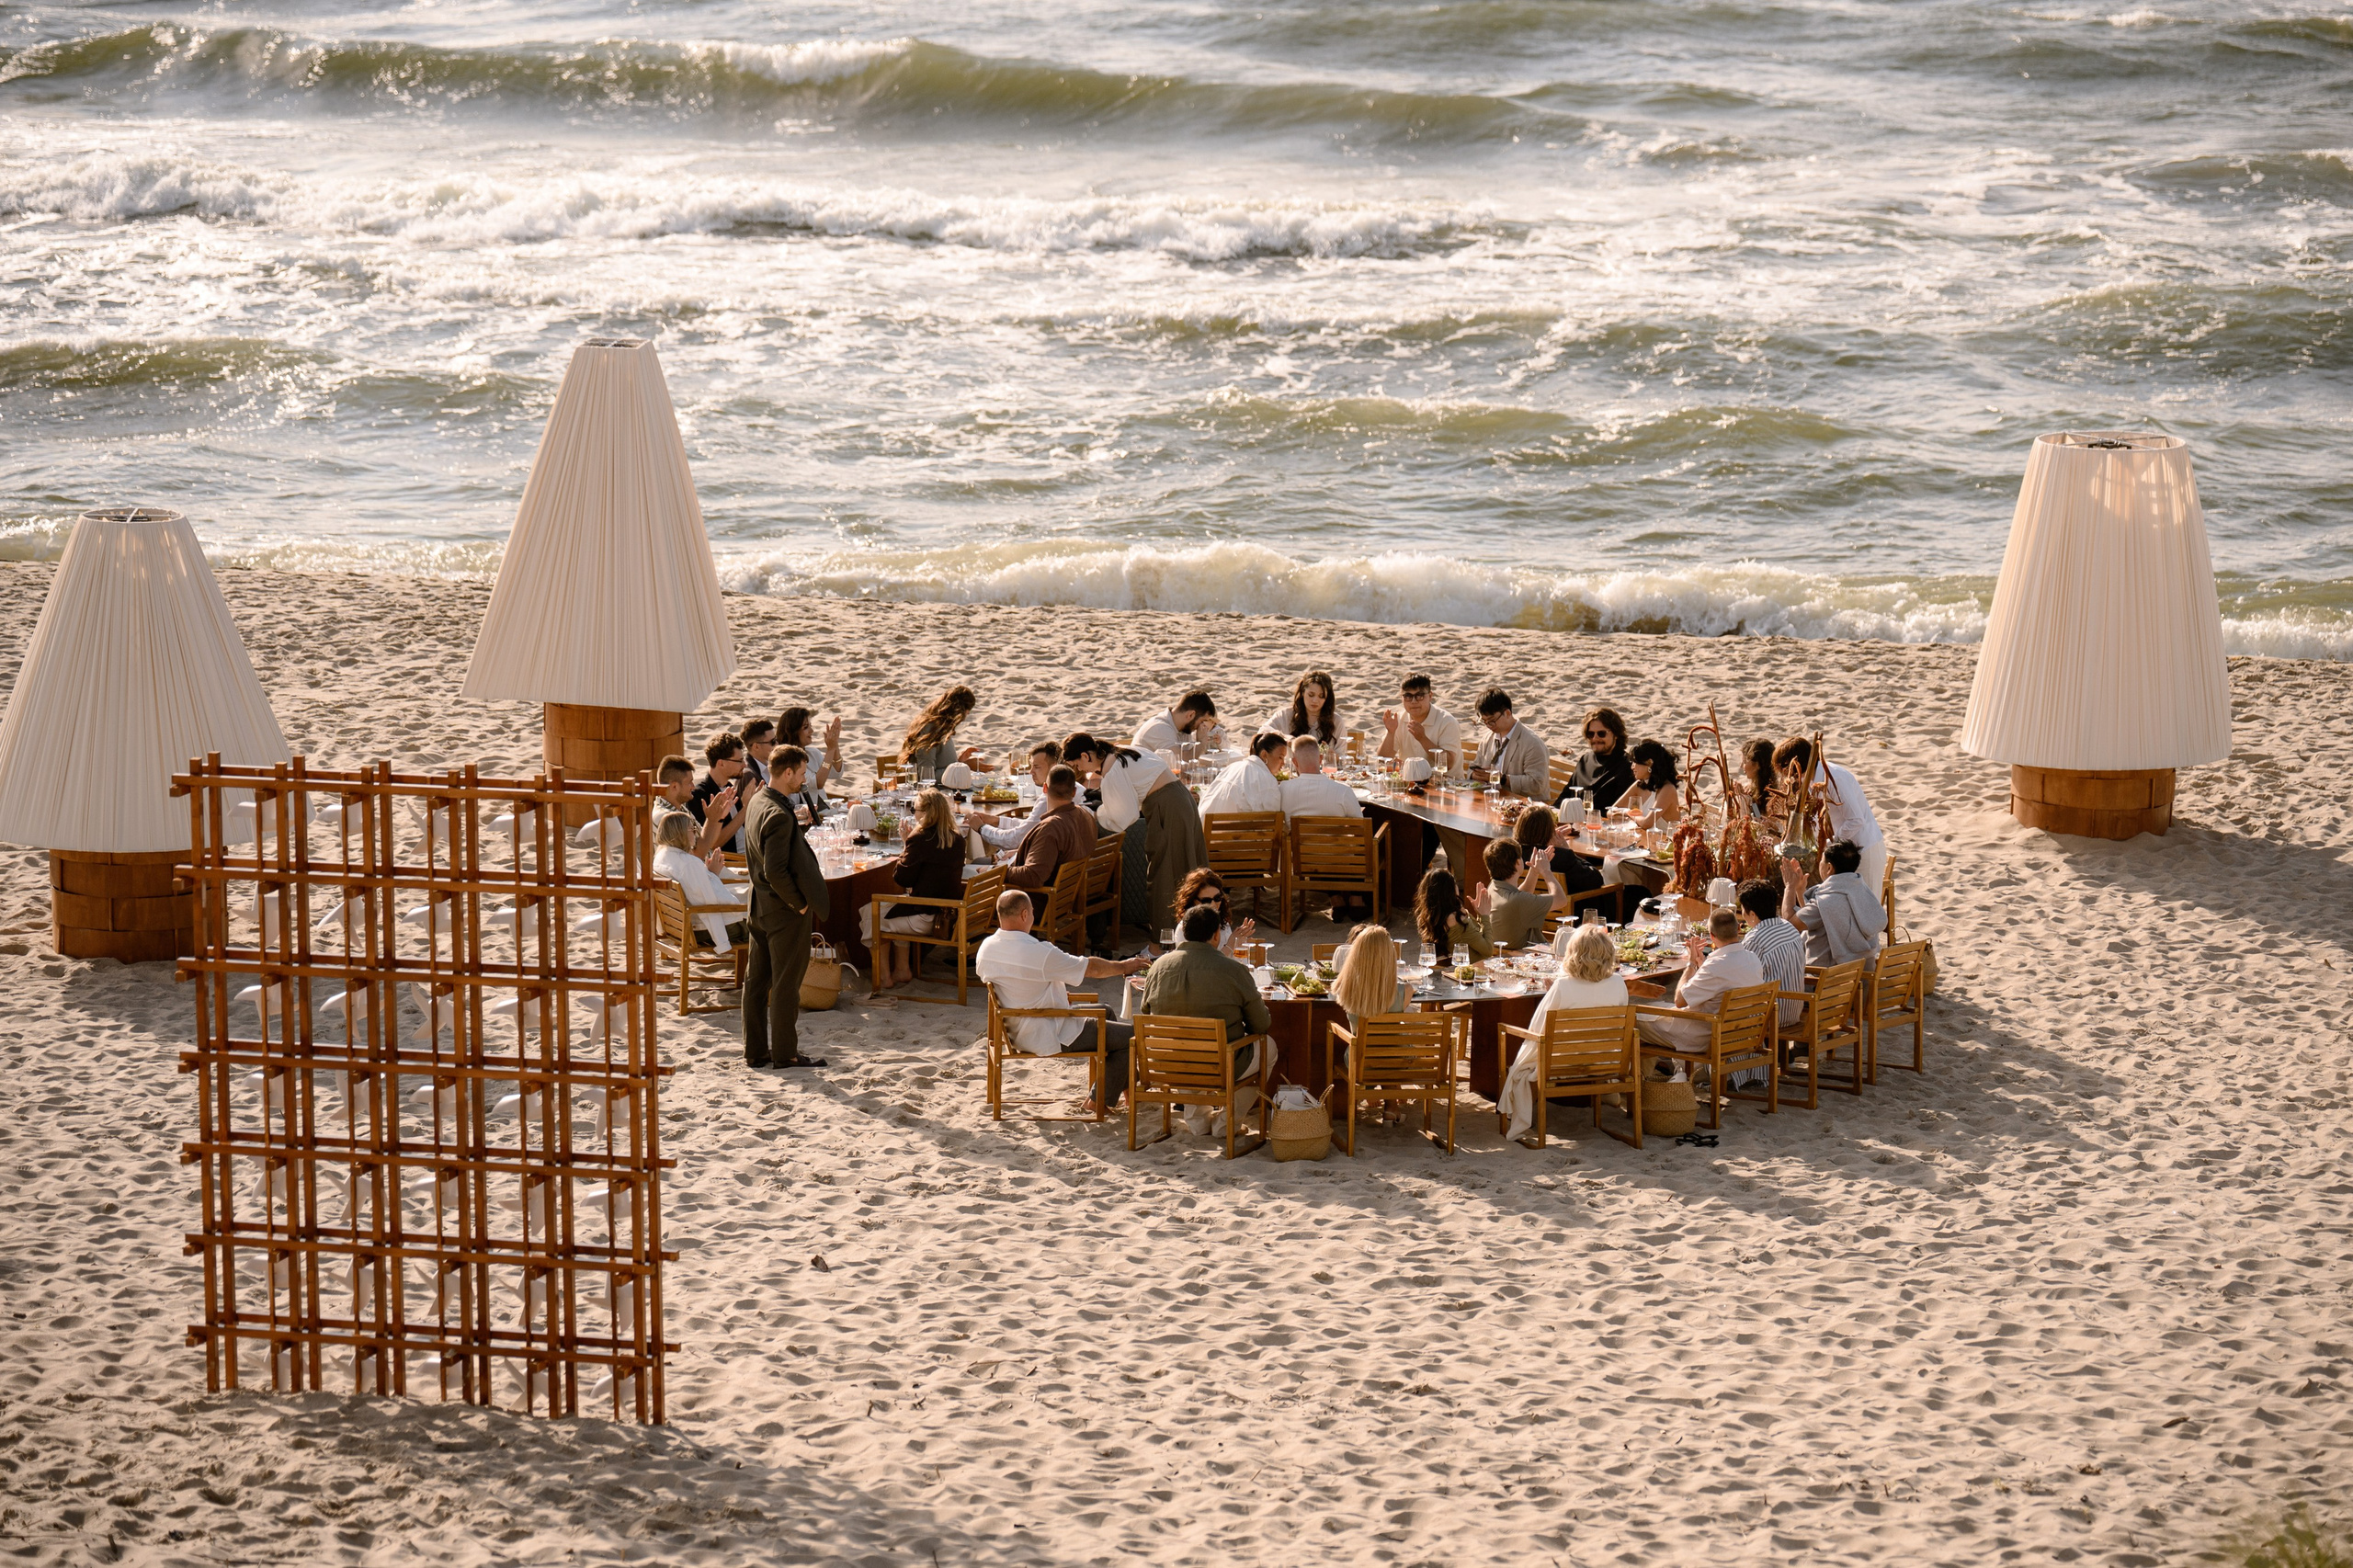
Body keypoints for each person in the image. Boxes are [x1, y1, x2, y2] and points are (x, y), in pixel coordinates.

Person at [974, 890, 1148, 1116]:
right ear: (1025, 914)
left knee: (1106, 1011)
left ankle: (1123, 1089)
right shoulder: (1037, 952)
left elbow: (1018, 984)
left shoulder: (986, 948)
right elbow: (1090, 967)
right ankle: (1096, 1102)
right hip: (1047, 1030)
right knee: (1131, 1037)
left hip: (1015, 1027)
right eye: (1033, 913)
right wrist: (1124, 966)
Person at [1063, 732, 1206, 937]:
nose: (1079, 770)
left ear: (1086, 756)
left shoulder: (1112, 769)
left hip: (1167, 807)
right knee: (1186, 865)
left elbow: (1124, 817)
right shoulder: (1122, 751)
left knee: (1164, 874)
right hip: (1179, 800)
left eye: (1077, 765)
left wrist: (1096, 813)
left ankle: (1163, 939)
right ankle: (1193, 931)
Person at [1500, 922, 1630, 1145]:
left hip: (1562, 1066)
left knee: (1525, 1059)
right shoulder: (1618, 983)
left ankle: (1516, 1116)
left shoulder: (1562, 986)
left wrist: (1551, 992)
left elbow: (1538, 1029)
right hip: (1607, 1063)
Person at [741, 744, 829, 1070]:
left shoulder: (759, 801)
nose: (805, 779)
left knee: (757, 982)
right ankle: (785, 1053)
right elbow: (774, 870)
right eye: (802, 773)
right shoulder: (778, 814)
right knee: (786, 985)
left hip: (759, 907)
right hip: (782, 911)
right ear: (787, 772)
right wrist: (800, 904)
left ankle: (755, 1051)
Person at [1138, 903, 1273, 1088]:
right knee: (1269, 1046)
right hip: (1219, 1065)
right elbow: (1261, 1024)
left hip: (1166, 1063)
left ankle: (1197, 1118)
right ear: (1217, 935)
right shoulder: (1233, 970)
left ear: (1184, 932)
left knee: (1187, 1046)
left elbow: (1145, 1012)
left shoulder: (1158, 968)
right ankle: (1224, 1117)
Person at [1635, 906, 1766, 1059]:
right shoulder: (1753, 960)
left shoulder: (1715, 966)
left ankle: (1639, 1076)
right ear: (1738, 929)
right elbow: (1722, 982)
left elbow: (1679, 1000)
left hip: (1703, 1036)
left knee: (1632, 1017)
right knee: (1654, 1008)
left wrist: (1690, 965)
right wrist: (1701, 966)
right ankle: (1658, 1072)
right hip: (1738, 1033)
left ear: (1711, 935)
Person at [868, 790, 965, 990]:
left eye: (915, 809)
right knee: (891, 908)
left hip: (926, 918)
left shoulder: (920, 839)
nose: (914, 814)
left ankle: (884, 977)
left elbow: (901, 878)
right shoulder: (957, 838)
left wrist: (908, 843)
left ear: (926, 813)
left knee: (869, 914)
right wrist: (909, 843)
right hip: (948, 915)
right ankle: (902, 969)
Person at [1774, 735, 1885, 894]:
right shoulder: (1809, 781)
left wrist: (1827, 844)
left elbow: (1855, 820)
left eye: (1785, 769)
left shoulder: (1834, 777)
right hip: (1840, 857)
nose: (1785, 775)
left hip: (1863, 851)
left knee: (1867, 911)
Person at [1781, 838, 1887, 968]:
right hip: (1862, 977)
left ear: (1829, 868)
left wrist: (1789, 887)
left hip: (1827, 982)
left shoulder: (1826, 901)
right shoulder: (1862, 891)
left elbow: (1789, 924)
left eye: (1821, 861)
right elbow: (1816, 919)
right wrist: (1800, 891)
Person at [652, 811, 747, 949]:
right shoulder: (689, 863)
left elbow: (696, 891)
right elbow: (710, 902)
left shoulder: (661, 857)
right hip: (702, 930)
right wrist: (713, 875)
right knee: (765, 922)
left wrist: (707, 873)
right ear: (681, 833)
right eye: (692, 829)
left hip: (678, 927)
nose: (696, 834)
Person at [1003, 764, 1099, 897]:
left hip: (1035, 903)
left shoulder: (1051, 828)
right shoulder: (1085, 815)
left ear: (1045, 788)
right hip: (1069, 896)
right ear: (1074, 792)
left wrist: (998, 872)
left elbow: (1033, 876)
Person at [967, 742, 1063, 854]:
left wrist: (981, 828)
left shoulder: (1050, 799)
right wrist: (997, 821)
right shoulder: (1069, 788)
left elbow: (1015, 840)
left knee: (979, 862)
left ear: (1054, 767)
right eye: (1031, 766)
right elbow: (1030, 825)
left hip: (1041, 863)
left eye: (1036, 767)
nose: (1031, 772)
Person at [1739, 877, 1808, 1028]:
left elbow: (1740, 979)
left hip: (1771, 1015)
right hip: (1793, 1010)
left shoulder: (1754, 939)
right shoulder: (1789, 927)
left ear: (1752, 914)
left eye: (1743, 909)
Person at [1513, 802, 1604, 903]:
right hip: (1565, 912)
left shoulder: (1512, 854)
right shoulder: (1560, 856)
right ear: (1549, 831)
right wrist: (1567, 850)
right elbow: (1596, 880)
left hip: (1525, 911)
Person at [1376, 674, 1462, 778]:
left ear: (1430, 696)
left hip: (1446, 784)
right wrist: (1391, 733)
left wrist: (1422, 738)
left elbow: (1448, 764)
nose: (1414, 701)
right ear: (1401, 698)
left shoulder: (1447, 721)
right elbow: (1382, 761)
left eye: (1419, 696)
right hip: (1410, 783)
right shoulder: (1398, 719)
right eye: (1408, 696)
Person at [901, 687, 995, 780]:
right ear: (958, 712)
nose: (964, 719)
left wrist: (959, 761)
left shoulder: (942, 729)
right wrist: (964, 767)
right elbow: (926, 776)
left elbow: (942, 765)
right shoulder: (930, 730)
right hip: (935, 793)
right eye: (966, 714)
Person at [1469, 687, 1549, 797]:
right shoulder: (1488, 738)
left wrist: (1503, 779)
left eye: (1492, 721)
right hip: (1493, 800)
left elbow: (1537, 784)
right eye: (1484, 721)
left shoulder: (1532, 743)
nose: (1488, 726)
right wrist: (1475, 775)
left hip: (1524, 806)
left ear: (1507, 713)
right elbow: (1471, 769)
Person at [1332, 923, 1410, 1033]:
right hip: (1396, 1050)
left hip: (1359, 1050)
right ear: (1390, 956)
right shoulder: (1407, 990)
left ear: (1356, 954)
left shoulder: (1344, 988)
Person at [1476, 838, 1552, 949]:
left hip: (1503, 955)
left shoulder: (1493, 887)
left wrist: (1534, 871)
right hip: (1527, 957)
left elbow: (1519, 900)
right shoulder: (1518, 901)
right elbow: (1561, 899)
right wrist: (1546, 871)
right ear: (1517, 863)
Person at [1557, 706, 1634, 813]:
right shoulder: (1585, 760)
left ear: (1616, 734)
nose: (1595, 738)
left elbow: (1621, 812)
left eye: (1601, 734)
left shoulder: (1627, 766)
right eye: (1590, 734)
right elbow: (1566, 795)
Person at [775, 707, 845, 820]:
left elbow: (837, 773)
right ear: (793, 731)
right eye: (806, 727)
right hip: (809, 818)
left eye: (810, 726)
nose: (811, 731)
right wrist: (831, 750)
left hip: (825, 811)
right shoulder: (787, 761)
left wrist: (835, 745)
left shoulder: (813, 753)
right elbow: (818, 783)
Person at [657, 754, 731, 860]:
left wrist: (719, 818)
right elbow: (696, 856)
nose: (693, 786)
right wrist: (711, 820)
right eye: (689, 782)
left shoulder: (680, 809)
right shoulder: (666, 817)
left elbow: (709, 843)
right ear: (674, 786)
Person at [1414, 866, 1493, 963]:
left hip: (1456, 968)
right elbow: (1488, 950)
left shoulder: (1429, 917)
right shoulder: (1457, 919)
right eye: (1454, 883)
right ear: (1449, 891)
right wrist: (1484, 915)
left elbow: (1473, 938)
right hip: (1476, 971)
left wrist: (1479, 914)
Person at [1197, 732, 1285, 818]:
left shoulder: (1232, 767)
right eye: (1281, 757)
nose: (1283, 763)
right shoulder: (1267, 780)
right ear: (1264, 755)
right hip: (1234, 831)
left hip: (1205, 828)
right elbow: (1272, 820)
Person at [690, 732, 751, 853]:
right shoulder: (699, 796)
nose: (744, 764)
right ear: (721, 763)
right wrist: (745, 810)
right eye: (739, 761)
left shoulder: (729, 788)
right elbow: (711, 845)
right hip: (730, 862)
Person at [1175, 868, 1256, 956]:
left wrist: (1238, 941)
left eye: (1217, 898)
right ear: (1193, 900)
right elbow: (1202, 965)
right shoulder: (1185, 929)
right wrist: (1230, 945)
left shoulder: (1222, 922)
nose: (1213, 904)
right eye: (1206, 900)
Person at [1264, 670, 1341, 749]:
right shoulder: (1285, 715)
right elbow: (1262, 733)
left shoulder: (1336, 721)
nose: (1315, 700)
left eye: (1321, 696)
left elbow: (1342, 755)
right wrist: (1284, 738)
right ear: (1303, 692)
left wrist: (1329, 755)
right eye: (1311, 695)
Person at [1132, 690, 1223, 756]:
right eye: (1202, 721)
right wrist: (1201, 742)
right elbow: (1180, 765)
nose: (1202, 726)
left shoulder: (1184, 729)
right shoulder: (1160, 728)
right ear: (1191, 715)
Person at [1621, 741, 1683, 827]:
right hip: (1645, 838)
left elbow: (1647, 823)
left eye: (1635, 762)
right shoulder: (1639, 785)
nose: (1632, 767)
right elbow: (1611, 811)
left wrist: (1629, 813)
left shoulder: (1668, 789)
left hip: (1667, 839)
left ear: (1650, 763)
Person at [1739, 737, 1780, 824]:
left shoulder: (1773, 796)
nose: (1741, 766)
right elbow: (1757, 814)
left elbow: (1762, 821)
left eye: (1744, 762)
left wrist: (1746, 801)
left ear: (1757, 765)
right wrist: (1747, 799)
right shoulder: (1755, 788)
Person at [740, 719, 776, 790]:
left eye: (776, 739)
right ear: (756, 746)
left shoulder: (774, 765)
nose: (777, 744)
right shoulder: (748, 776)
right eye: (773, 742)